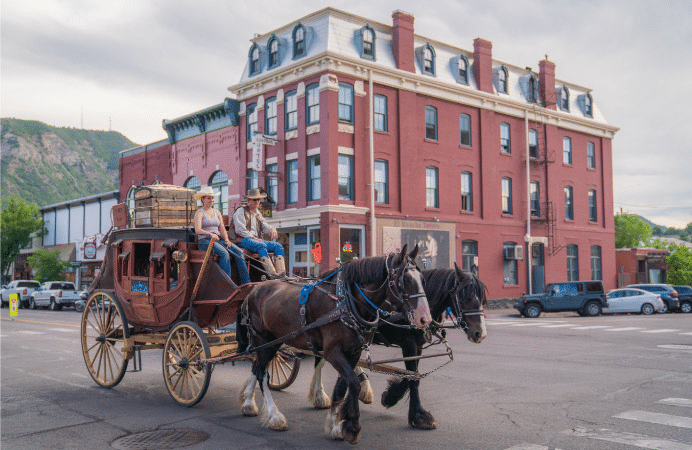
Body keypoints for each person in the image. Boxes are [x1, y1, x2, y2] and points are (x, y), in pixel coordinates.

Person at [194, 186, 251, 285]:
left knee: (238, 252)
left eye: (212, 198)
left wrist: (227, 240)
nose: (211, 200)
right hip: (205, 241)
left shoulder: (217, 212)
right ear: (202, 199)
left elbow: (222, 228)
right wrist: (210, 234)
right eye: (208, 198)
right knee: (224, 253)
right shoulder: (199, 213)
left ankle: (245, 282)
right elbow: (197, 230)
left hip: (217, 240)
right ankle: (227, 283)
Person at [232, 188, 287, 279]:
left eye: (258, 199)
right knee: (260, 245)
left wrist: (272, 229)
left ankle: (282, 275)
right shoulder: (240, 211)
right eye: (254, 200)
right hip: (242, 239)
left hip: (254, 240)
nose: (257, 202)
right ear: (248, 200)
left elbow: (264, 226)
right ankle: (273, 275)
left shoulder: (257, 213)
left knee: (278, 246)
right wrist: (253, 237)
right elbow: (239, 230)